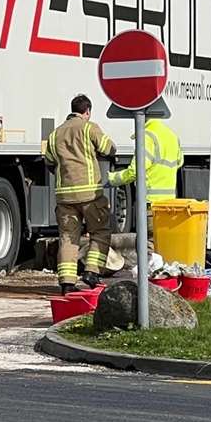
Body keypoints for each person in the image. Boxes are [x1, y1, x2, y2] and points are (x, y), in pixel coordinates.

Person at [42, 93, 117, 293]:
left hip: (64, 197)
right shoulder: (88, 128)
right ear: (87, 111)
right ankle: (92, 272)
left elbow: (49, 162)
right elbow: (109, 148)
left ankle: (67, 283)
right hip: (90, 195)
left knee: (68, 238)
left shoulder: (55, 134)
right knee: (100, 232)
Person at [109, 115, 184, 254]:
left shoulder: (148, 136)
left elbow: (135, 171)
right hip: (169, 207)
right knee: (164, 248)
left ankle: (150, 276)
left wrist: (112, 179)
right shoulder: (171, 135)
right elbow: (179, 162)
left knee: (148, 249)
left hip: (151, 206)